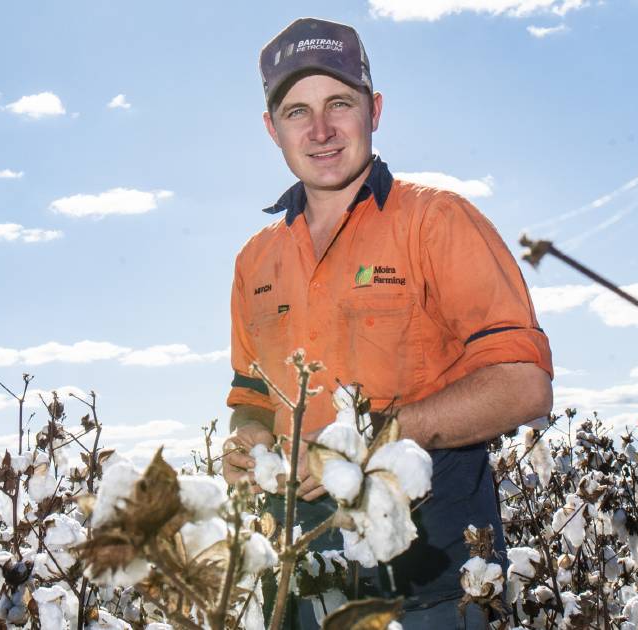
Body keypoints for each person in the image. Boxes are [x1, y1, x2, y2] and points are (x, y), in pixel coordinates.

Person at [221, 17, 554, 629]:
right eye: (297, 112)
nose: (320, 131)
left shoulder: (439, 222)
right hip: (302, 580)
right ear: (272, 129)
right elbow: (251, 397)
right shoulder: (255, 260)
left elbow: (523, 385)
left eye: (338, 104)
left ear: (374, 110)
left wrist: (381, 436)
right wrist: (246, 442)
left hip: (431, 578)